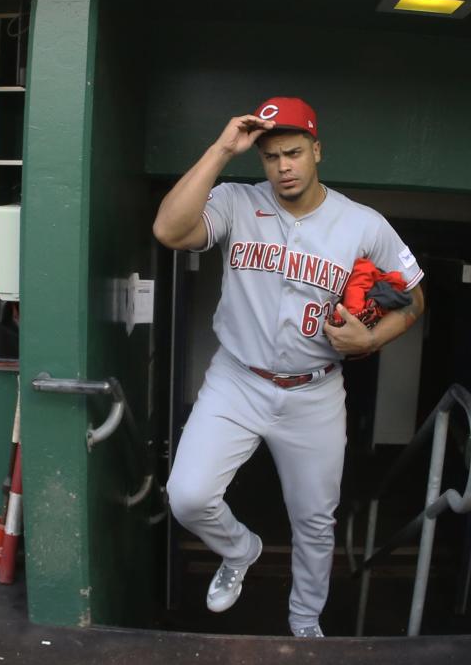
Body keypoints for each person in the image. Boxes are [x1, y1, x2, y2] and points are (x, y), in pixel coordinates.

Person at [152, 97, 425, 637]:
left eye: (295, 152)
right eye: (272, 156)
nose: (284, 166)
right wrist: (222, 150)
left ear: (317, 150)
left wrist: (369, 338)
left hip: (315, 392)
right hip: (236, 380)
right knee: (186, 496)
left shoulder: (362, 224)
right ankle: (241, 550)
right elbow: (169, 230)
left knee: (314, 521)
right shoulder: (235, 201)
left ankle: (305, 624)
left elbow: (415, 301)